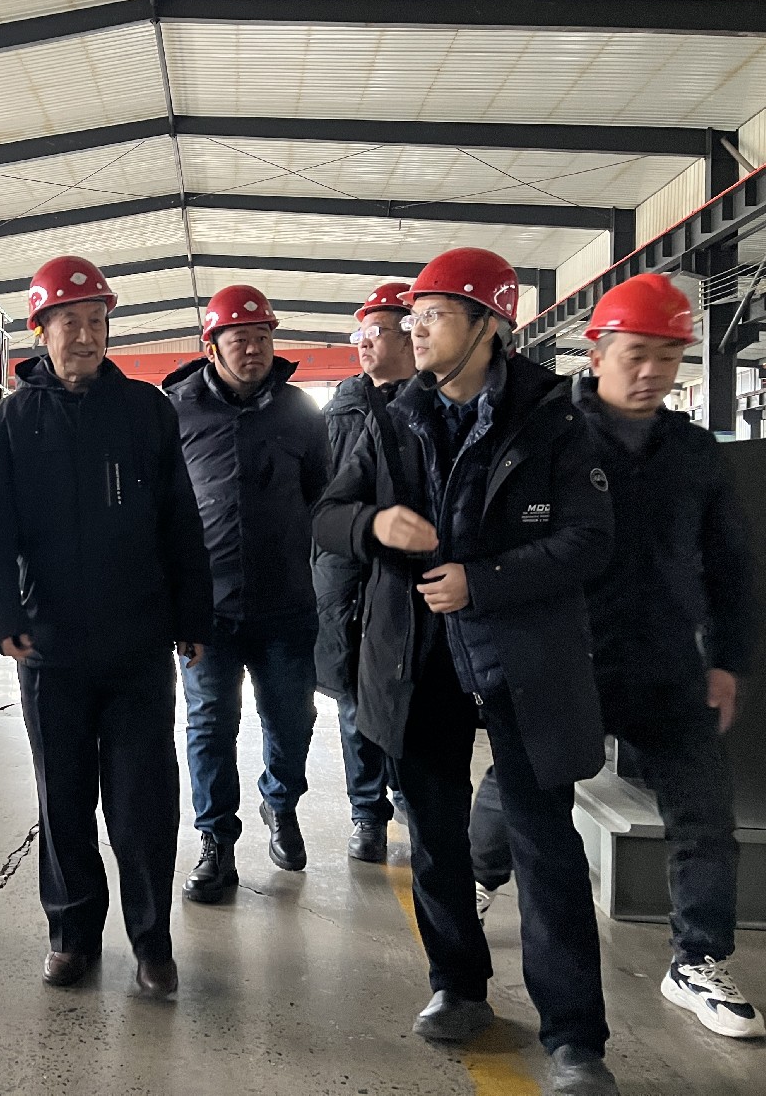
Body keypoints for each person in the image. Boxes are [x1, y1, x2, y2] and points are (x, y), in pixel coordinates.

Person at [312, 247, 621, 1095]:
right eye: (412, 316)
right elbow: (328, 515)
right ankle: (457, 985)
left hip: (522, 661)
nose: (414, 330)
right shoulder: (390, 419)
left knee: (543, 844)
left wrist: (484, 582)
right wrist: (375, 527)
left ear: (490, 326)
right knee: (435, 837)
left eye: (435, 315)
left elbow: (589, 540)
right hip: (416, 660)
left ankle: (575, 1038)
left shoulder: (555, 422)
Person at [469, 273, 761, 1039]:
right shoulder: (546, 437)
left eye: (668, 356)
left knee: (703, 813)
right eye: (637, 354)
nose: (652, 371)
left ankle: (697, 959)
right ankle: (477, 879)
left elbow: (730, 564)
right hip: (564, 658)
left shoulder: (693, 452)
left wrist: (727, 661)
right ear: (597, 353)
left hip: (666, 663)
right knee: (518, 788)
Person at [0, 255, 212, 996]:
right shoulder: (12, 422)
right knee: (64, 797)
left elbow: (180, 521)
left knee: (144, 800)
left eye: (97, 321)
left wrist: (191, 615)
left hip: (137, 643)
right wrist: (3, 617)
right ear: (41, 331)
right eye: (69, 322)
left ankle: (152, 944)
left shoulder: (146, 411)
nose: (85, 335)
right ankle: (72, 936)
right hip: (51, 646)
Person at [161, 285, 330, 898]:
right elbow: (161, 510)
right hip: (206, 610)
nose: (254, 349)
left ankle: (280, 803)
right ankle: (216, 842)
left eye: (263, 337)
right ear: (212, 346)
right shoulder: (176, 411)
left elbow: (321, 494)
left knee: (291, 719)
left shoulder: (301, 412)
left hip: (287, 603)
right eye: (240, 339)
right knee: (209, 725)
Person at [312, 281, 416, 864]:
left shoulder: (429, 405)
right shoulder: (342, 409)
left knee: (408, 693)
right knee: (352, 696)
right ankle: (368, 813)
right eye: (361, 332)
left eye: (376, 331)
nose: (364, 343)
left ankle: (409, 798)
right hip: (342, 572)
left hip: (404, 573)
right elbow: (322, 501)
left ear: (410, 335)